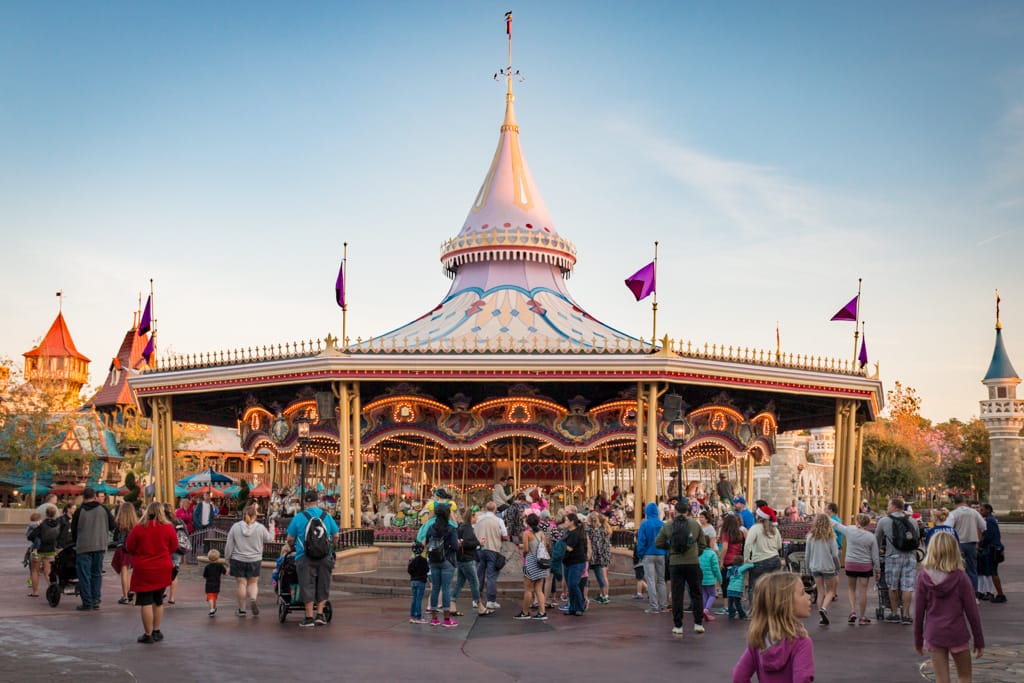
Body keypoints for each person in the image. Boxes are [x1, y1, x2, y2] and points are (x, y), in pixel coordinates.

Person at [913, 532, 985, 683]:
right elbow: (972, 612)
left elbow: (918, 612)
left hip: (934, 634)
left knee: (941, 679)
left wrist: (918, 639)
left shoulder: (923, 577)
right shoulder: (961, 577)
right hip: (957, 633)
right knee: (965, 677)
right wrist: (979, 641)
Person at [732, 572, 815, 683]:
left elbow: (739, 677)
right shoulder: (801, 643)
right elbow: (802, 679)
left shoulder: (758, 640)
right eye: (802, 593)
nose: (809, 596)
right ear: (785, 603)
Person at [125, 501, 178, 644]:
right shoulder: (168, 528)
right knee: (158, 601)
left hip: (144, 568)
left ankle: (147, 634)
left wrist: (140, 553)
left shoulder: (139, 528)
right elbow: (174, 546)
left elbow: (129, 546)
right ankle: (156, 630)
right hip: (162, 567)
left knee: (146, 602)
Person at [285, 490, 340, 628]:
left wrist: (292, 545)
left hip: (304, 556)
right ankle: (320, 615)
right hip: (324, 556)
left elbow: (290, 538)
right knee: (323, 584)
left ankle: (309, 617)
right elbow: (336, 535)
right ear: (317, 502)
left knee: (306, 584)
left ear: (305, 502)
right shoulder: (326, 516)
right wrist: (332, 546)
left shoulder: (298, 517)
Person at [655, 499, 706, 635]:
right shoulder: (695, 525)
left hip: (675, 564)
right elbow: (703, 544)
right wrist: (695, 553)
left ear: (675, 512)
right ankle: (698, 624)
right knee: (696, 593)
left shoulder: (668, 526)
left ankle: (678, 626)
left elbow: (658, 542)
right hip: (692, 563)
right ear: (688, 512)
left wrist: (671, 548)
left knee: (677, 595)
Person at [875, 496, 920, 624]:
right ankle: (906, 615)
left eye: (889, 505)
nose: (887, 507)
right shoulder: (913, 520)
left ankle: (894, 614)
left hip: (893, 556)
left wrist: (878, 553)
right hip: (910, 556)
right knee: (907, 586)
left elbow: (877, 539)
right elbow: (916, 538)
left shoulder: (884, 521)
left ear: (894, 506)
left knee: (892, 586)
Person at [829, 513, 880, 625]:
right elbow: (875, 556)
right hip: (865, 565)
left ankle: (852, 611)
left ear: (857, 522)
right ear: (867, 523)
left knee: (851, 589)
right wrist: (877, 570)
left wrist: (825, 516)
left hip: (851, 563)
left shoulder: (849, 531)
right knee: (863, 591)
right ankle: (862, 617)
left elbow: (836, 525)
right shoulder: (871, 537)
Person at [71, 486, 116, 611]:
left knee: (84, 575)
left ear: (83, 497)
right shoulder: (104, 509)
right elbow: (113, 525)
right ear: (95, 497)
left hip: (84, 546)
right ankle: (96, 599)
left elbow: (74, 531)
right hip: (100, 545)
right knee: (96, 573)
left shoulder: (79, 511)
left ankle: (87, 602)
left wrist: (76, 542)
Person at [224, 503, 273, 617]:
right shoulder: (260, 527)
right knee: (253, 582)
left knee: (241, 584)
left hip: (238, 559)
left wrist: (227, 558)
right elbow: (269, 539)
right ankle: (253, 599)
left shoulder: (235, 527)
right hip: (255, 559)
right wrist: (271, 528)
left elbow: (229, 544)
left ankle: (242, 609)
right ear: (255, 516)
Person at [425, 501, 459, 627]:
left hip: (433, 561)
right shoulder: (451, 529)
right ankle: (446, 619)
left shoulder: (431, 528)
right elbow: (455, 546)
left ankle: (434, 618)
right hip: (447, 561)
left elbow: (427, 542)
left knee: (435, 588)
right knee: (446, 589)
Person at [451, 507, 490, 617]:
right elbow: (467, 543)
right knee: (474, 582)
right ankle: (480, 606)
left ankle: (452, 603)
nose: (477, 517)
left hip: (461, 558)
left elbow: (463, 542)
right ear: (472, 517)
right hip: (467, 559)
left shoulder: (461, 527)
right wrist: (479, 543)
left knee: (460, 582)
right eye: (476, 515)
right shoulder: (467, 528)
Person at [946, 494, 986, 596]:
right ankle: (973, 594)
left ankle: (959, 593)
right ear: (965, 501)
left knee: (958, 569)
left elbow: (947, 528)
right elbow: (983, 526)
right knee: (972, 569)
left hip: (959, 544)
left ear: (955, 503)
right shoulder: (974, 513)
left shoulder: (953, 513)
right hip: (972, 543)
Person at [805, 513, 840, 625]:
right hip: (828, 567)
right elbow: (835, 554)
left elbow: (807, 554)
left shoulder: (810, 536)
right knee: (831, 591)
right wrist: (837, 566)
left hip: (815, 566)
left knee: (820, 591)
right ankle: (824, 609)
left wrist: (807, 567)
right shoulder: (831, 537)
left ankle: (821, 616)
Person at [514, 512, 549, 620]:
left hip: (531, 563)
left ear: (528, 523)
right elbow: (543, 546)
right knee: (539, 589)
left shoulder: (527, 533)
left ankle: (525, 612)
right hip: (541, 563)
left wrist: (522, 552)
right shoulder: (542, 533)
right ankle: (542, 612)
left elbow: (526, 549)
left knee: (528, 589)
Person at [474, 501, 507, 611]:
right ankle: (491, 601)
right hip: (492, 548)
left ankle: (476, 600)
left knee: (479, 575)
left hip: (480, 549)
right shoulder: (498, 520)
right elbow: (505, 536)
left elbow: (474, 532)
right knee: (491, 576)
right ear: (495, 509)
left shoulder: (479, 519)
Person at [743, 505, 782, 598]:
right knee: (772, 588)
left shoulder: (755, 528)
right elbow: (779, 545)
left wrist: (747, 560)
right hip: (775, 560)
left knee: (754, 588)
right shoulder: (775, 529)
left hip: (759, 561)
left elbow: (748, 545)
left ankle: (755, 610)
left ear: (759, 516)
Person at [637, 501, 668, 614]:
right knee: (661, 580)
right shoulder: (662, 524)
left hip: (648, 554)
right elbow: (666, 540)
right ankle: (664, 605)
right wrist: (665, 551)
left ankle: (654, 606)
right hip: (660, 554)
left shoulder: (644, 524)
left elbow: (641, 541)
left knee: (650, 580)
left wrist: (641, 553)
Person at [27, 507, 62, 596]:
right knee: (48, 572)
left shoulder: (42, 524)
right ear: (55, 514)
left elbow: (31, 536)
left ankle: (35, 592)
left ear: (46, 514)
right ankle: (52, 589)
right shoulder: (58, 524)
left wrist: (37, 539)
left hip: (39, 551)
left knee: (35, 571)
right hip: (50, 551)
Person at [978, 503, 1006, 603]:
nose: (980, 512)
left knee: (993, 572)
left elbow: (988, 536)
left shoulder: (989, 521)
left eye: (982, 510)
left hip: (992, 549)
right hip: (994, 548)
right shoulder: (991, 519)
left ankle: (1000, 594)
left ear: (988, 510)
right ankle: (1000, 594)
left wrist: (980, 544)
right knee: (993, 572)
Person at [112, 503, 139, 605]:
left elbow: (115, 537)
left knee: (124, 571)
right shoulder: (135, 523)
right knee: (131, 571)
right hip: (132, 548)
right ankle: (130, 590)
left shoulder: (119, 522)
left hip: (122, 548)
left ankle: (125, 596)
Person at [561, 513, 587, 617]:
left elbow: (570, 548)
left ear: (572, 521)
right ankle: (572, 607)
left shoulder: (575, 533)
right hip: (568, 562)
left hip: (576, 562)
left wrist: (560, 543)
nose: (565, 522)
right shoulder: (568, 532)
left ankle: (580, 607)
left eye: (567, 520)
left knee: (573, 584)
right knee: (570, 586)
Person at [586, 511, 612, 604]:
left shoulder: (588, 530)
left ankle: (585, 597)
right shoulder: (602, 529)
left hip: (590, 555)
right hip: (600, 556)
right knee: (600, 576)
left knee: (585, 576)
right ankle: (604, 595)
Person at [164, 503, 187, 604]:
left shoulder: (163, 522)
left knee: (163, 571)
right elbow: (186, 533)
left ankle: (161, 592)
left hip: (166, 549)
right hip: (178, 549)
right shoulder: (179, 520)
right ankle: (172, 597)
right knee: (174, 573)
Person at [699, 535, 723, 621]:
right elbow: (716, 569)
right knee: (712, 595)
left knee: (704, 595)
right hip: (710, 579)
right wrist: (720, 579)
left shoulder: (698, 553)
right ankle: (706, 610)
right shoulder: (712, 554)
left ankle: (703, 611)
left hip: (700, 578)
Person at [725, 556, 755, 620]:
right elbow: (748, 565)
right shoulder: (740, 569)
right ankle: (742, 615)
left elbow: (727, 576)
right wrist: (754, 564)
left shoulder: (730, 569)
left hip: (730, 588)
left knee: (730, 603)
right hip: (737, 589)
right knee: (737, 603)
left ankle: (731, 614)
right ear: (741, 562)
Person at [407, 542, 429, 624]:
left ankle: (412, 617)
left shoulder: (411, 560)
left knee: (414, 598)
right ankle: (418, 617)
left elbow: (409, 570)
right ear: (422, 550)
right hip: (421, 581)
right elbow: (426, 570)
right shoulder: (423, 560)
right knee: (419, 599)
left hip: (413, 581)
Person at [203, 548, 226, 616]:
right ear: (218, 558)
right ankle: (214, 608)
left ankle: (211, 609)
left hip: (209, 584)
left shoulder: (207, 567)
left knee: (210, 597)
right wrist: (228, 568)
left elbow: (204, 575)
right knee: (214, 597)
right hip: (217, 584)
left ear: (209, 558)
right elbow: (225, 572)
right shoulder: (220, 566)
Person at [24, 511, 42, 597]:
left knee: (33, 569)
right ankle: (35, 549)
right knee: (37, 541)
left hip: (31, 537)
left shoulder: (32, 524)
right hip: (31, 536)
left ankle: (31, 582)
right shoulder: (33, 524)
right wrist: (40, 523)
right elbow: (35, 525)